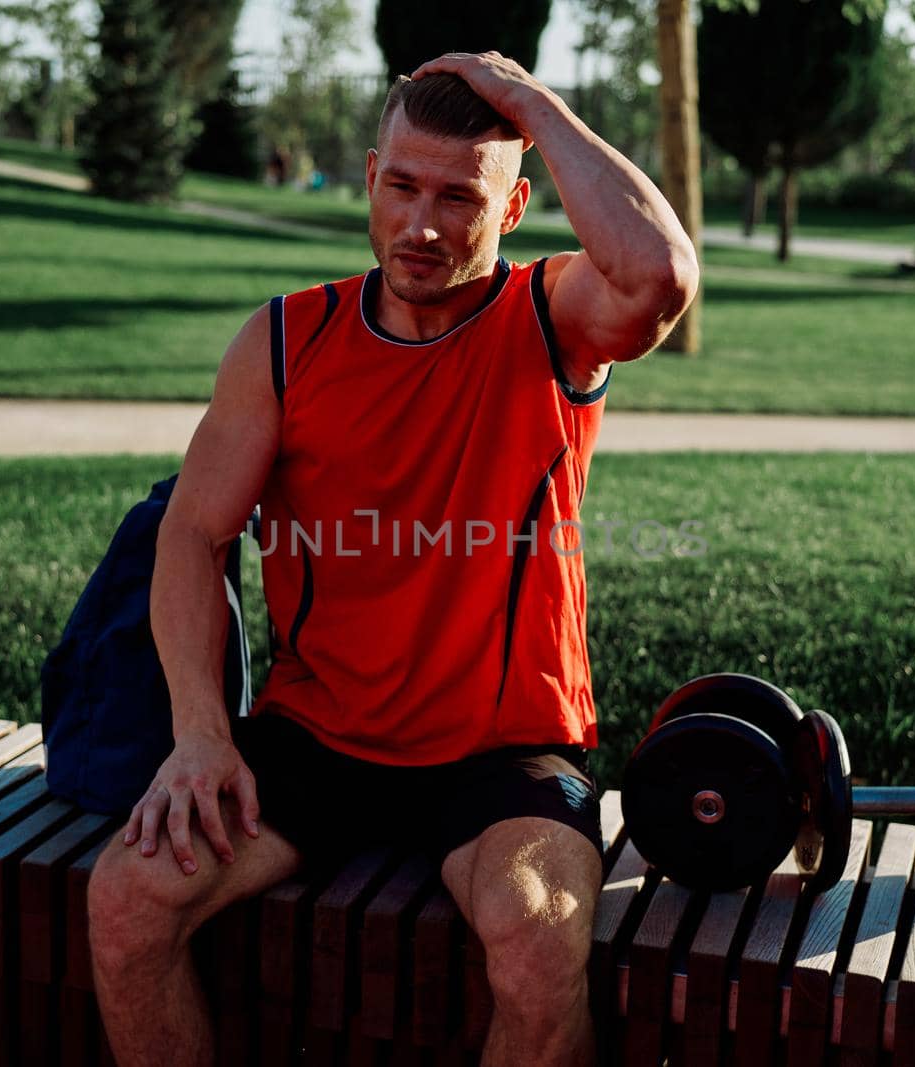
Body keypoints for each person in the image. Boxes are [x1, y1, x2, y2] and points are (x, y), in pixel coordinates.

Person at [85, 51, 699, 1067]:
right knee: (126, 900)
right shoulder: (286, 340)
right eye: (403, 185)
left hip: (502, 751)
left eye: (460, 196)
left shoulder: (553, 320)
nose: (422, 223)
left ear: (511, 211)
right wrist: (200, 734)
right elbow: (193, 535)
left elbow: (659, 276)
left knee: (539, 948)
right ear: (370, 177)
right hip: (315, 735)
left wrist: (532, 107)